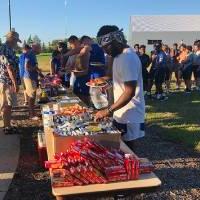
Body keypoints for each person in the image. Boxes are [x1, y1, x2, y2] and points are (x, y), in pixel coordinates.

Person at [95, 25, 145, 151]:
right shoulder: (118, 56)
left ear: (117, 40)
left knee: (128, 150)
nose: (105, 51)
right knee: (120, 148)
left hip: (130, 113)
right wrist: (108, 85)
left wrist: (107, 111)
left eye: (107, 47)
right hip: (121, 111)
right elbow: (117, 79)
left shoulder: (127, 58)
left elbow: (129, 92)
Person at [0, 31, 21, 134]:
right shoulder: (7, 49)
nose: (17, 43)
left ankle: (7, 125)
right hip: (8, 82)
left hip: (4, 80)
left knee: (6, 104)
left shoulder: (4, 48)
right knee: (7, 105)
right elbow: (9, 67)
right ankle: (7, 127)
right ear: (12, 40)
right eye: (16, 41)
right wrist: (15, 83)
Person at [66, 35, 90, 104]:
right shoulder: (72, 52)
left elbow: (85, 67)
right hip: (74, 78)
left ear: (76, 41)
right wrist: (68, 68)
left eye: (71, 43)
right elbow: (68, 65)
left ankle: (88, 110)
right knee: (77, 98)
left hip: (84, 77)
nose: (70, 46)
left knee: (85, 97)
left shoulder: (83, 48)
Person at [22, 43, 42, 120]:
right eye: (40, 48)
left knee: (33, 95)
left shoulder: (32, 54)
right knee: (31, 96)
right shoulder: (30, 54)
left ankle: (33, 112)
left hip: (32, 77)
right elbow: (27, 67)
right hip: (29, 77)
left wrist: (38, 71)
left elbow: (33, 66)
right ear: (35, 48)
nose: (41, 49)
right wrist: (35, 69)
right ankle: (31, 115)